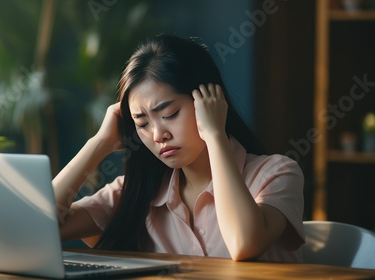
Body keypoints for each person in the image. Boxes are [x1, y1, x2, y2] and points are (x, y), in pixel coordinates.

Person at [53, 34, 305, 262]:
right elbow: (37, 227)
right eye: (141, 123)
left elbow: (244, 244)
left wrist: (215, 134)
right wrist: (99, 144)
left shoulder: (276, 173)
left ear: (209, 103)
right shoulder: (137, 192)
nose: (158, 135)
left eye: (170, 114)